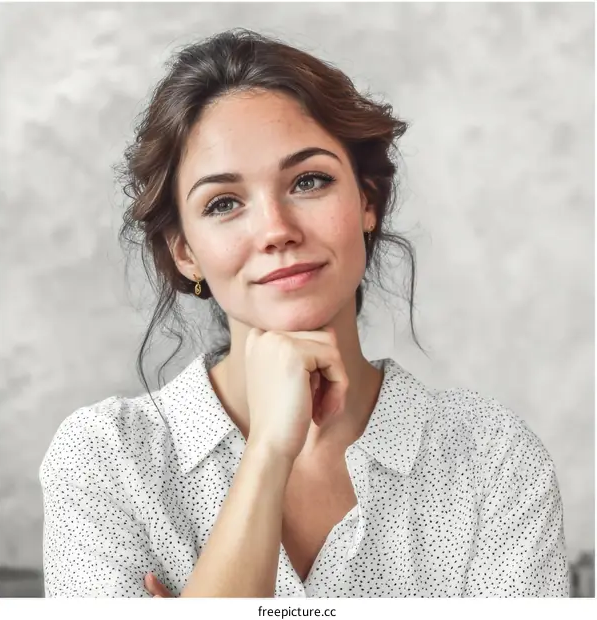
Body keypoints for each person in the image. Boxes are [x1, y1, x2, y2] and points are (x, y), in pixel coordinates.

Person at [40, 28, 569, 598]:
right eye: (223, 203)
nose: (276, 231)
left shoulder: (493, 458)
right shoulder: (103, 459)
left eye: (308, 181)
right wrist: (269, 450)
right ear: (185, 251)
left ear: (366, 202)